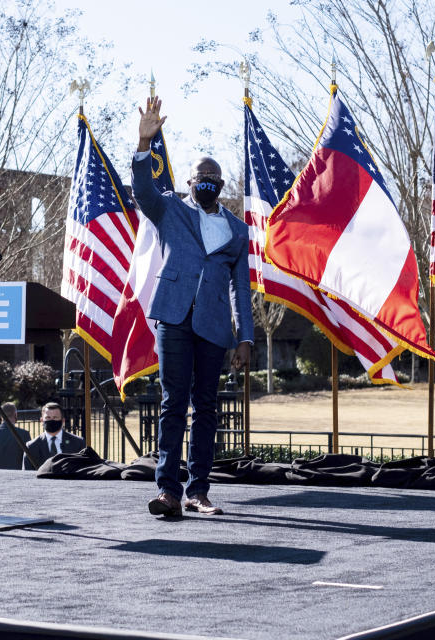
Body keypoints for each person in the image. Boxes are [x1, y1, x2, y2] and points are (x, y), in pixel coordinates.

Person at [131, 97, 254, 518]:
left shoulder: (238, 231)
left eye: (213, 178)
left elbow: (242, 287)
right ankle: (167, 490)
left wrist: (246, 337)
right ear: (189, 181)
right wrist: (144, 144)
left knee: (206, 407)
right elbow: (143, 191)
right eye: (201, 176)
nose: (207, 181)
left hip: (214, 326)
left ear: (221, 185)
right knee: (172, 403)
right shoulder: (170, 210)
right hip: (173, 317)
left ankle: (198, 491)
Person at [22, 402, 85, 470]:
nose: (52, 420)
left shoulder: (78, 443)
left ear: (63, 420)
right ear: (42, 420)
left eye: (55, 417)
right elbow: (26, 475)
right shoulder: (31, 446)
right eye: (48, 417)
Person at [0, 402, 31, 470]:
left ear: (1, 415)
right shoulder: (24, 434)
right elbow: (29, 459)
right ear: (15, 414)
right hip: (16, 475)